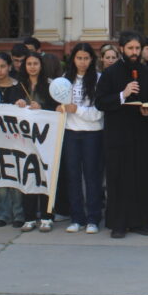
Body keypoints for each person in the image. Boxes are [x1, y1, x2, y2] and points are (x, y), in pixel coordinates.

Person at [95, 31, 148, 238]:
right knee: (119, 179)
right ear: (122, 49)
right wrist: (122, 95)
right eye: (130, 48)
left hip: (142, 135)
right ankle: (119, 223)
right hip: (118, 136)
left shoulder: (147, 73)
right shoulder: (110, 73)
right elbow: (100, 102)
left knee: (142, 177)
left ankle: (141, 222)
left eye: (137, 48)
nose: (134, 52)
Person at [56, 43, 104, 235]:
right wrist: (61, 109)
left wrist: (77, 109)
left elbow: (99, 113)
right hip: (70, 133)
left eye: (86, 58)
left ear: (92, 60)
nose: (82, 62)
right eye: (79, 58)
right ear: (73, 59)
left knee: (93, 177)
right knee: (73, 176)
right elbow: (59, 105)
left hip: (93, 133)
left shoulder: (99, 79)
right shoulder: (64, 80)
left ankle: (93, 218)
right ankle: (77, 218)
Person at [16, 52, 55, 232]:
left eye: (35, 63)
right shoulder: (19, 85)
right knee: (28, 176)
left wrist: (42, 107)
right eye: (29, 63)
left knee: (45, 176)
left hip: (45, 138)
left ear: (41, 65)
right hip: (24, 140)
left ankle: (47, 216)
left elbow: (56, 108)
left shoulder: (50, 85)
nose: (32, 67)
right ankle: (29, 217)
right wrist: (18, 104)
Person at [0, 52, 28, 229]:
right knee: (1, 177)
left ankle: (19, 213)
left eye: (3, 66)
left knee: (16, 175)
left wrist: (22, 104)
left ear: (9, 67)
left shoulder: (18, 87)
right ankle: (2, 214)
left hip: (15, 139)